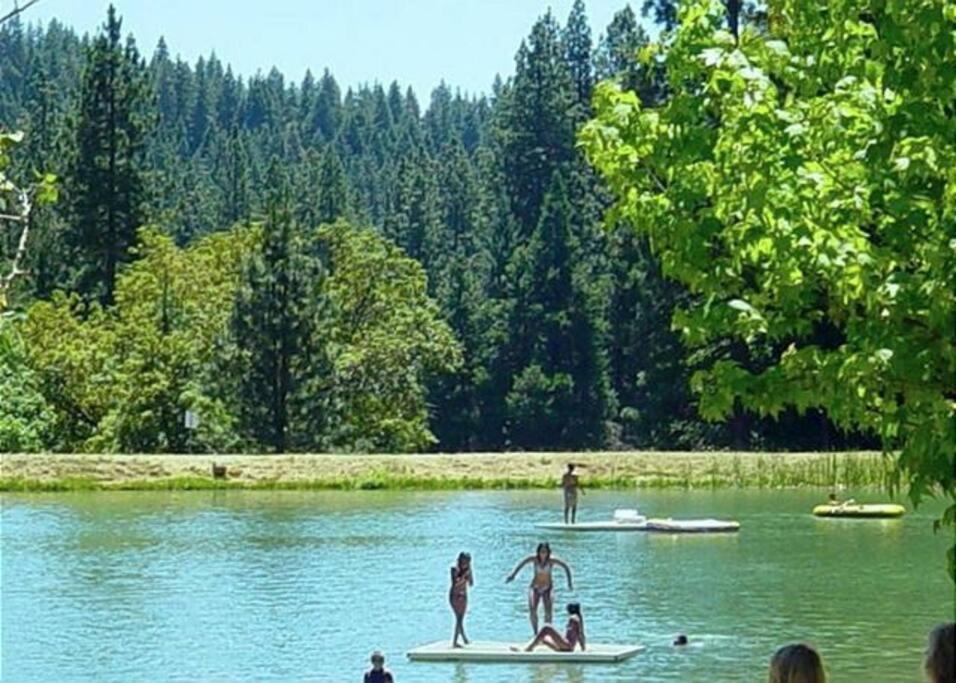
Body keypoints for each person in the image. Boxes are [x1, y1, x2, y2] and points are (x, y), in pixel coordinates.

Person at [506, 542, 573, 634]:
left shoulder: (551, 561)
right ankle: (535, 633)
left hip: (547, 588)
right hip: (535, 587)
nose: (543, 554)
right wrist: (513, 575)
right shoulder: (534, 559)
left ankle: (546, 632)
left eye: (545, 552)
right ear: (538, 552)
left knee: (548, 611)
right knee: (533, 610)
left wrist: (569, 582)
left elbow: (566, 567)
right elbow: (522, 563)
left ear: (548, 552)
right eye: (541, 551)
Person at [512, 603, 586, 653]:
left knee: (546, 627)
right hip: (566, 647)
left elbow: (579, 634)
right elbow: (580, 634)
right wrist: (583, 648)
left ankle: (527, 649)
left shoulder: (573, 618)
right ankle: (526, 648)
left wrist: (583, 651)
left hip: (567, 646)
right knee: (542, 639)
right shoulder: (578, 618)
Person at [449, 552, 473, 648]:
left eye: (468, 562)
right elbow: (456, 584)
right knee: (458, 619)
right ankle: (455, 642)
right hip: (455, 595)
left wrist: (470, 574)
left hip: (464, 595)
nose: (466, 563)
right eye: (465, 561)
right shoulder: (454, 569)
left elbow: (471, 583)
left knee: (461, 618)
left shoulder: (468, 570)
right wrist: (464, 577)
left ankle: (464, 639)